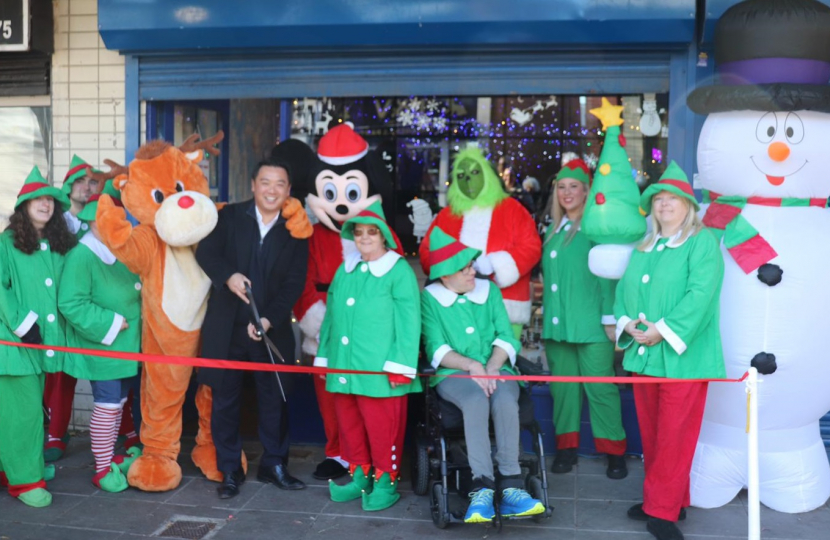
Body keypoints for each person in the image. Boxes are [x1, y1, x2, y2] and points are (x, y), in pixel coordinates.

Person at [614, 162, 725, 540]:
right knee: (653, 433)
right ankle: (663, 500)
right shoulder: (646, 245)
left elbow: (701, 297)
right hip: (645, 356)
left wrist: (662, 331)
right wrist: (627, 322)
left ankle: (662, 511)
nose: (664, 205)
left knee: (674, 436)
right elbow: (624, 293)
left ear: (687, 206)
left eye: (672, 199)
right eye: (658, 199)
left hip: (683, 357)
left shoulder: (702, 242)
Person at [196, 157, 311, 499]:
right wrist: (228, 276)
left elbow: (294, 284)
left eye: (279, 184)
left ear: (288, 190)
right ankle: (229, 468)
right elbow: (206, 254)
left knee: (275, 398)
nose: (271, 190)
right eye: (265, 182)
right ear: (252, 185)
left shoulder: (296, 229)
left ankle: (274, 463)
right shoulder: (230, 216)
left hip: (270, 329)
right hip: (226, 327)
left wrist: (267, 319)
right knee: (225, 400)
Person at [421, 226, 545, 523]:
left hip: (498, 367)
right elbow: (436, 346)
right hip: (453, 372)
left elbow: (506, 334)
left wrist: (491, 365)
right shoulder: (431, 299)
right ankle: (482, 488)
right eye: (464, 269)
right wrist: (472, 366)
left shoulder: (488, 291)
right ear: (445, 275)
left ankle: (512, 486)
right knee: (476, 400)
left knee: (503, 399)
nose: (472, 272)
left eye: (471, 266)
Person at [315, 201, 421, 512]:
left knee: (381, 429)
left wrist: (401, 364)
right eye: (359, 232)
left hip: (380, 372)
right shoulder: (345, 269)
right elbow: (331, 319)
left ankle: (386, 484)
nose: (364, 237)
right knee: (350, 427)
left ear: (384, 236)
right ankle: (360, 477)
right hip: (344, 367)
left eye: (371, 232)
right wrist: (324, 357)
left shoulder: (398, 270)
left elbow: (409, 321)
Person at [541, 160, 627, 479]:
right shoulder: (554, 227)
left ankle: (614, 452)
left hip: (592, 324)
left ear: (587, 190)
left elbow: (608, 277)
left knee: (601, 390)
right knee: (562, 391)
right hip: (557, 325)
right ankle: (566, 449)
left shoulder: (595, 226)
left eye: (573, 186)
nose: (566, 192)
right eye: (561, 186)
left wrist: (609, 319)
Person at [58, 181, 142, 493]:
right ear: (91, 220)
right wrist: (112, 321)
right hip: (104, 345)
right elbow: (71, 302)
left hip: (128, 346)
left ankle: (108, 456)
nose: (107, 222)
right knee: (107, 406)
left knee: (118, 403)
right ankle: (102, 467)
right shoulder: (82, 254)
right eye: (100, 218)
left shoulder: (121, 247)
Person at [0, 166, 75, 507]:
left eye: (50, 200)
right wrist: (21, 323)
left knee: (24, 412)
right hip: (13, 346)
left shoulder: (56, 244)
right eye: (38, 199)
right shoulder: (5, 243)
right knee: (25, 413)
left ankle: (13, 469)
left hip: (44, 345)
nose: (45, 204)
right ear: (24, 205)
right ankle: (26, 481)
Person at [42, 155, 102, 462]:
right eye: (80, 181)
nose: (86, 187)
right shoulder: (54, 223)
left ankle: (124, 431)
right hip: (59, 310)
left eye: (92, 181)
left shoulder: (101, 220)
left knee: (106, 372)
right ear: (68, 186)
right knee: (60, 375)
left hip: (92, 309)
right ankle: (56, 433)